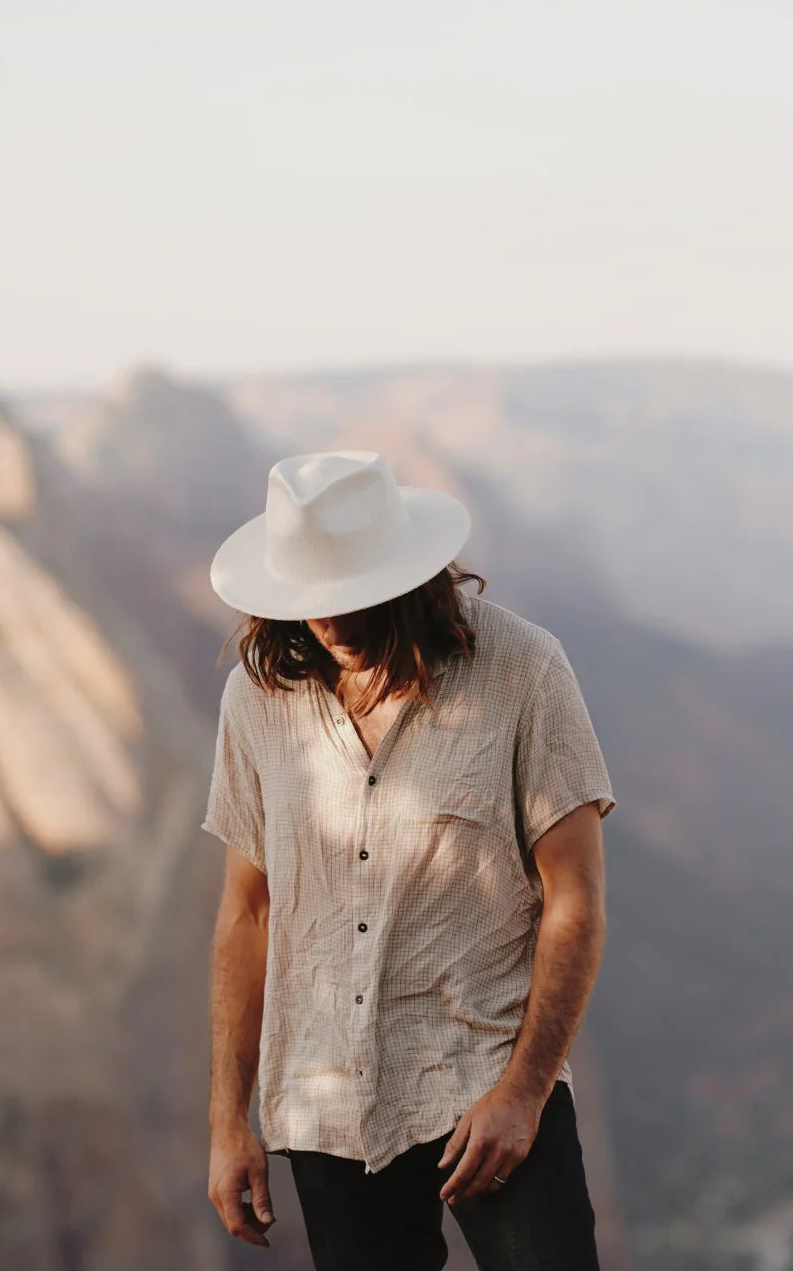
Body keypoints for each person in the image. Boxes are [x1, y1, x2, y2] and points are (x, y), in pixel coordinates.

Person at [202, 448, 617, 1270]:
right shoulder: (257, 699)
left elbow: (575, 899)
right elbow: (248, 912)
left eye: (352, 600)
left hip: (488, 1088)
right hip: (327, 1107)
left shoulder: (523, 671)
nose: (331, 626)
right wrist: (226, 1123)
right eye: (311, 605)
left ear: (409, 579)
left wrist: (524, 1095)